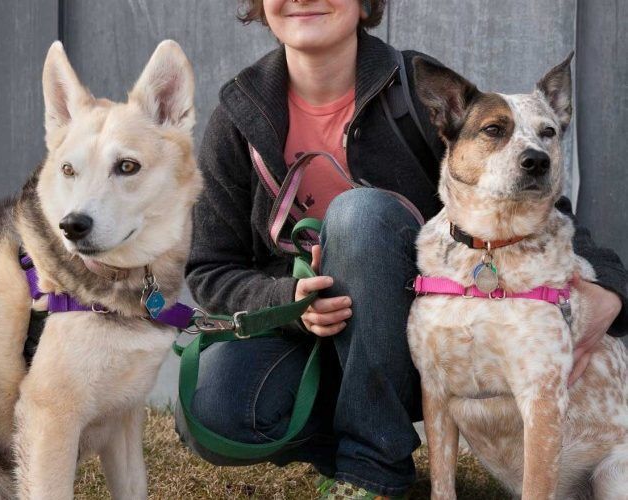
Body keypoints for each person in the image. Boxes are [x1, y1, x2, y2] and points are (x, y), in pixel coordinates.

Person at [175, 1, 628, 498]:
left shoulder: (410, 91)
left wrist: (611, 287)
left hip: (414, 338)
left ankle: (372, 470)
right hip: (306, 336)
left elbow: (533, 200)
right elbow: (211, 268)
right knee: (216, 406)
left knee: (359, 214)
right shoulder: (241, 112)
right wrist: (287, 297)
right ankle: (351, 432)